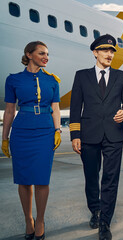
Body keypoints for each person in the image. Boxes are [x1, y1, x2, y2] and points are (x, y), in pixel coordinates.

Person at [69, 34, 123, 240]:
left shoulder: (122, 76)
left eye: (112, 51)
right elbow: (75, 107)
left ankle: (105, 222)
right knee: (91, 177)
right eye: (105, 50)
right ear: (95, 53)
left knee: (110, 179)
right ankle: (95, 210)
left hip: (114, 134)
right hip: (89, 134)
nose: (109, 54)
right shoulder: (81, 76)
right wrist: (75, 135)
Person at [1, 41, 61, 240]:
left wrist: (57, 130)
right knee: (24, 180)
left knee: (42, 179)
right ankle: (28, 220)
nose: (46, 57)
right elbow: (10, 110)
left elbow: (56, 108)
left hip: (45, 131)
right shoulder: (13, 80)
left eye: (47, 53)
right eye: (41, 53)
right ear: (29, 54)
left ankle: (41, 220)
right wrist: (5, 138)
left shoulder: (53, 81)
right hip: (22, 131)